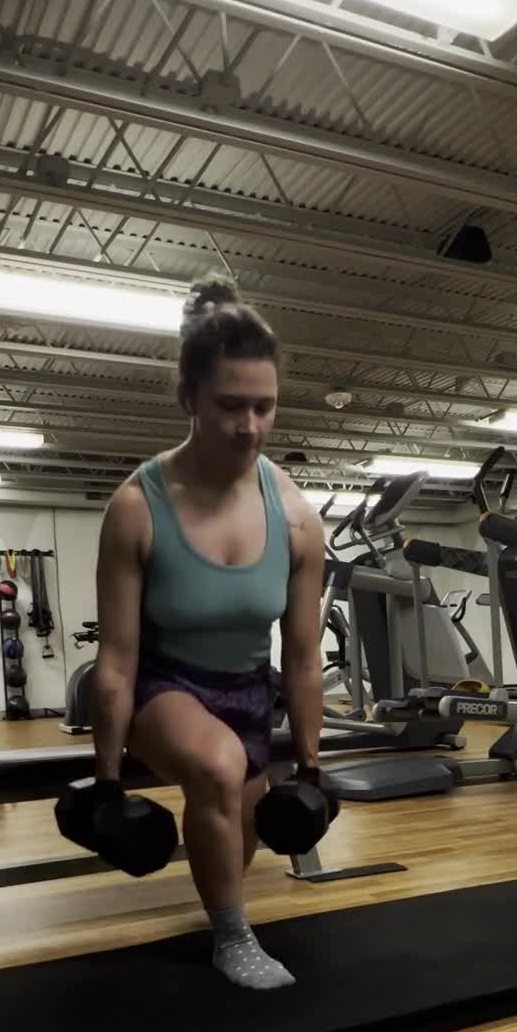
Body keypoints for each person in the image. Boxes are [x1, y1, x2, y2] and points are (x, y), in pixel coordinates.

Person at [90, 276, 327, 991]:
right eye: (230, 406)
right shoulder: (137, 508)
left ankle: (225, 916)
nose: (250, 426)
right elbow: (116, 658)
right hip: (160, 684)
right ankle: (234, 939)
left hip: (249, 692)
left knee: (235, 832)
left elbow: (303, 656)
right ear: (188, 398)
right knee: (220, 768)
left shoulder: (295, 517)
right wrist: (105, 782)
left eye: (264, 406)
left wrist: (311, 771)